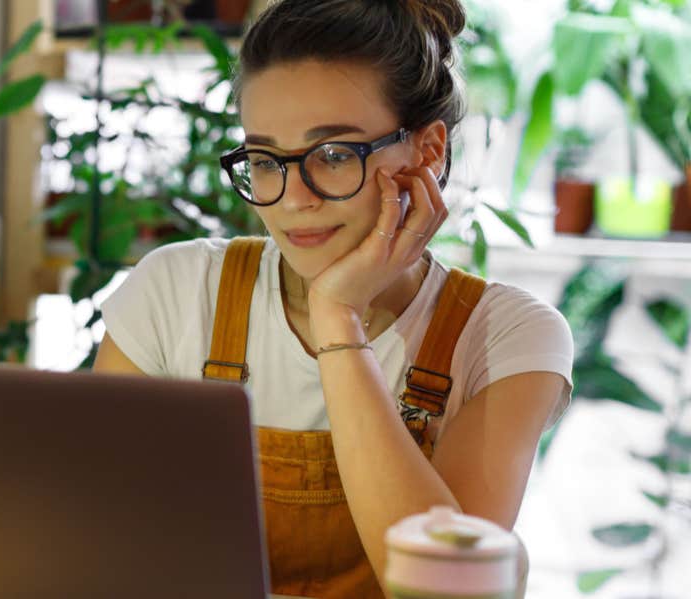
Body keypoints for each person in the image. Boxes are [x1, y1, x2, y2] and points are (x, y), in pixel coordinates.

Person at [93, 1, 574, 597]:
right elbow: (99, 543)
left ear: (427, 152)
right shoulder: (176, 291)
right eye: (266, 160)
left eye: (335, 154)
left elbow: (450, 591)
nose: (292, 198)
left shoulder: (506, 335)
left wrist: (338, 317)